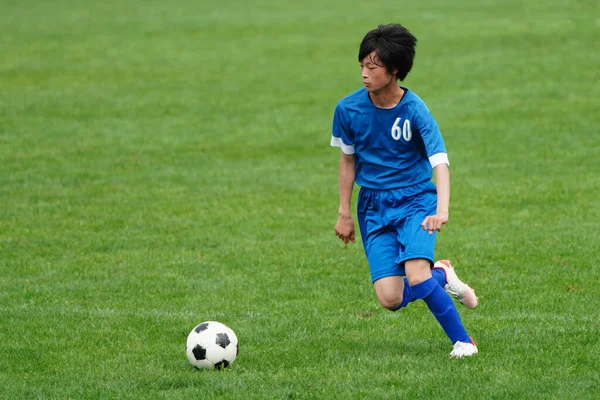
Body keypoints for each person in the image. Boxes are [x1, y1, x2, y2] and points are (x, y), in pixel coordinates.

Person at [330, 23, 479, 358]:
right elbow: (347, 161)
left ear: (394, 70)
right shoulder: (348, 109)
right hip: (373, 206)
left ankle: (463, 341)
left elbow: (440, 161)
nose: (364, 74)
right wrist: (344, 211)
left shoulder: (414, 110)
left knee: (415, 272)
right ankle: (441, 275)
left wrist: (442, 208)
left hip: (415, 201)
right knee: (390, 299)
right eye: (362, 66)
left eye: (372, 67)